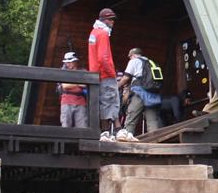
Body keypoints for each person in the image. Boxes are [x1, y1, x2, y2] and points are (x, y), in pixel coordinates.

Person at [87, 7, 119, 140]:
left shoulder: (93, 32)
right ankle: (118, 131)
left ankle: (105, 132)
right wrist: (112, 73)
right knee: (111, 101)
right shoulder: (103, 34)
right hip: (106, 75)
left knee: (102, 103)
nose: (112, 22)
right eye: (111, 19)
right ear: (104, 20)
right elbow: (103, 58)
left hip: (95, 75)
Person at [119, 47, 163, 137]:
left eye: (130, 57)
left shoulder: (134, 61)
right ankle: (154, 141)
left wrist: (117, 86)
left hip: (139, 93)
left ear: (133, 55)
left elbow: (126, 77)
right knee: (152, 121)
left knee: (131, 118)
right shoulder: (152, 63)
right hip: (152, 95)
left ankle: (126, 140)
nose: (129, 58)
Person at [57, 52, 88, 128]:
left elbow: (85, 84)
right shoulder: (63, 72)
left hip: (80, 102)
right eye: (67, 62)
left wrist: (72, 83)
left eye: (70, 62)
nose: (68, 64)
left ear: (75, 61)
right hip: (66, 101)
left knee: (82, 127)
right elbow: (65, 86)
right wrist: (78, 83)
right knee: (66, 126)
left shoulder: (83, 71)